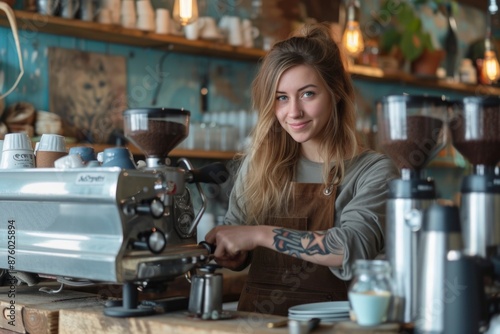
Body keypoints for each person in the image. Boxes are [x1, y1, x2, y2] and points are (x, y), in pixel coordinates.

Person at [205, 22, 399, 316]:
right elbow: (238, 233)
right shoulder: (259, 167)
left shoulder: (372, 171)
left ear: (335, 93)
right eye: (281, 97)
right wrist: (231, 251)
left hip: (334, 327)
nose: (293, 111)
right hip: (259, 324)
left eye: (307, 94)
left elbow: (349, 247)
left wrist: (257, 235)